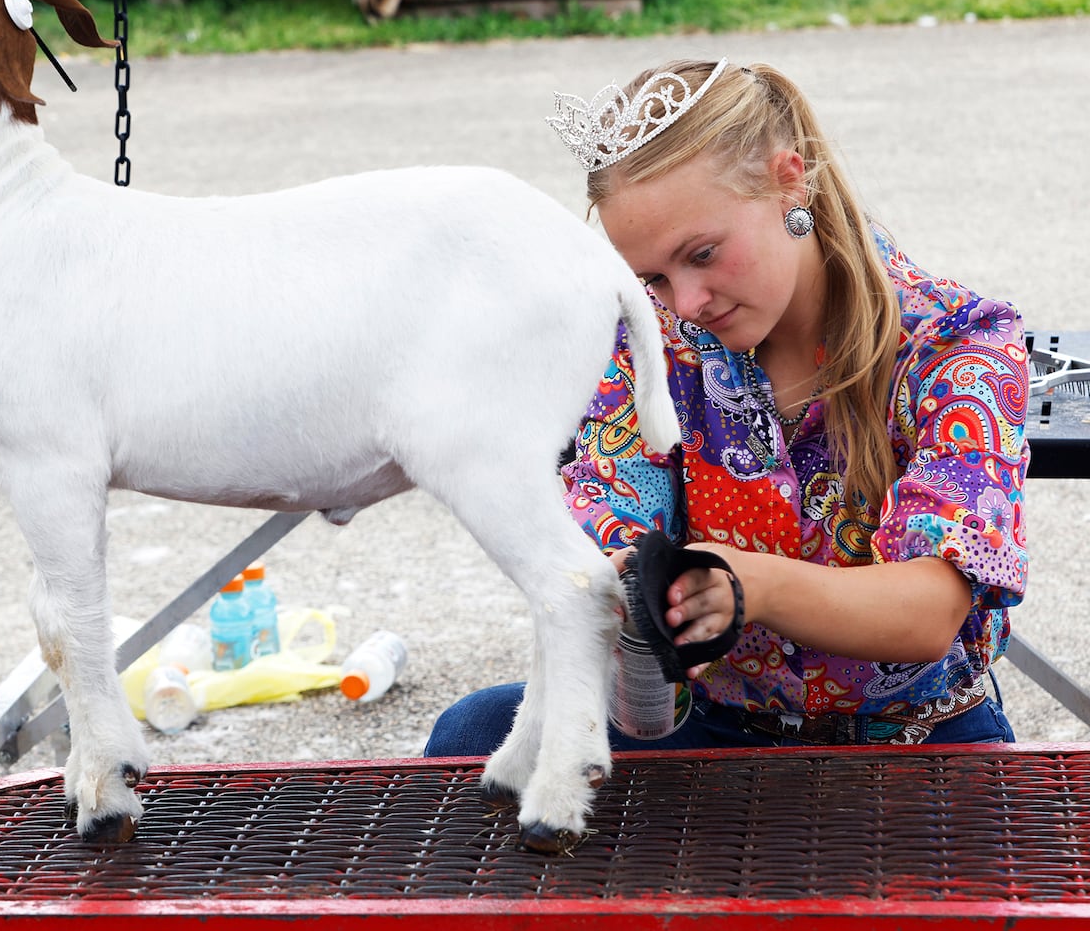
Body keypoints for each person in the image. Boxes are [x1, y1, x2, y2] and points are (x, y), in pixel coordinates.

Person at [426, 58, 1027, 752]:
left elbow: (929, 613)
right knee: (468, 736)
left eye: (703, 253)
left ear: (788, 178)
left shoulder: (958, 344)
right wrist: (623, 580)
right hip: (714, 725)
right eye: (651, 275)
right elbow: (611, 512)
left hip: (915, 736)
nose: (685, 302)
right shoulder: (652, 342)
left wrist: (753, 584)